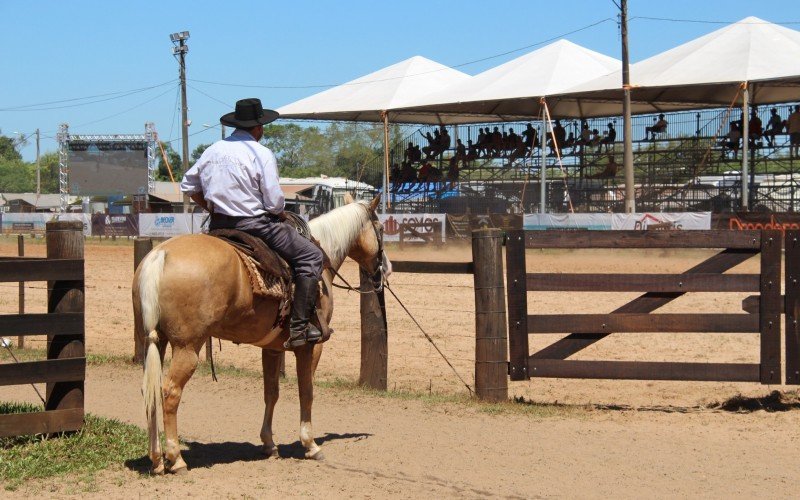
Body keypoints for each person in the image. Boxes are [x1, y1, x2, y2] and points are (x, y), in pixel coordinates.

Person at [180, 98, 323, 349]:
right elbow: (274, 201)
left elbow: (189, 186)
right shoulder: (261, 153)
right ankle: (299, 327)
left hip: (219, 226)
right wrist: (279, 214)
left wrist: (211, 207)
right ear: (258, 128)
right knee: (311, 256)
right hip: (256, 225)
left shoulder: (212, 150)